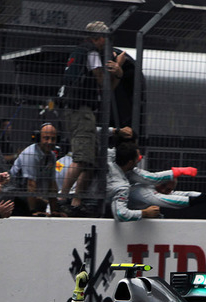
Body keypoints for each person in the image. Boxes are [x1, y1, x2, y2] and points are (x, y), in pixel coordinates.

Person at [57, 20, 124, 216]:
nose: (105, 43)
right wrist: (116, 69)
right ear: (99, 37)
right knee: (81, 157)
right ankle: (63, 198)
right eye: (105, 39)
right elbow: (103, 84)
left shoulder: (77, 52)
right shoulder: (91, 52)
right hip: (81, 110)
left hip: (73, 108)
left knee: (90, 159)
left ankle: (76, 201)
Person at [10, 123, 60, 216]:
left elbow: (52, 185)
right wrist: (33, 212)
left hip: (33, 196)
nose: (50, 142)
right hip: (16, 198)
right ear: (38, 138)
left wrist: (55, 211)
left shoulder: (52, 156)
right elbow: (31, 184)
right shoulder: (31, 154)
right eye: (46, 138)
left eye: (53, 139)